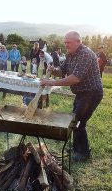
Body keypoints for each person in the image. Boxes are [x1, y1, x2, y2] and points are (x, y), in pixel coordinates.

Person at [40, 30, 103, 162]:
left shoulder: (85, 54)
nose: (66, 45)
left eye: (69, 42)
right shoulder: (71, 54)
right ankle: (76, 147)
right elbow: (62, 71)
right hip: (81, 93)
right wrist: (53, 70)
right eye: (65, 42)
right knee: (74, 119)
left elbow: (75, 78)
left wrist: (51, 82)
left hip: (91, 93)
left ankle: (84, 152)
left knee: (79, 122)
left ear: (78, 42)